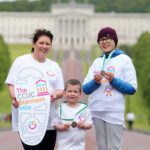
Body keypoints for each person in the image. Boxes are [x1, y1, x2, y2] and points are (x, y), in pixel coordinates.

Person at [5, 28, 64, 150]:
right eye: (41, 43)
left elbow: (60, 90)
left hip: (49, 121)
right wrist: (15, 97)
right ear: (34, 43)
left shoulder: (54, 66)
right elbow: (11, 84)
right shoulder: (21, 62)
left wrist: (55, 95)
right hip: (27, 119)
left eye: (47, 44)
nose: (44, 46)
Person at [82, 27, 137, 150]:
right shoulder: (97, 61)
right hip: (97, 110)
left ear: (114, 40)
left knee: (114, 147)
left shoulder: (124, 60)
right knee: (102, 147)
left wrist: (114, 80)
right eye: (101, 40)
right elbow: (85, 89)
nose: (104, 42)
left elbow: (132, 88)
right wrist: (95, 82)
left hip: (114, 111)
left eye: (108, 39)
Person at [52, 79, 93, 150]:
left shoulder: (84, 108)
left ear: (80, 94)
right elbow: (55, 124)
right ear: (64, 93)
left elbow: (89, 124)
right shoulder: (61, 108)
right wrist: (63, 127)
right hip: (63, 146)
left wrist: (83, 125)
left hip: (79, 146)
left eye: (75, 92)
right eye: (69, 91)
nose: (72, 94)